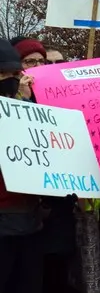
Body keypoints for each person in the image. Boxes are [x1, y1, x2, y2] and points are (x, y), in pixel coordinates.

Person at [0, 39, 45, 293]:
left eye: (15, 74)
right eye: (2, 74)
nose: (10, 80)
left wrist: (26, 106)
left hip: (29, 220)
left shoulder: (23, 105)